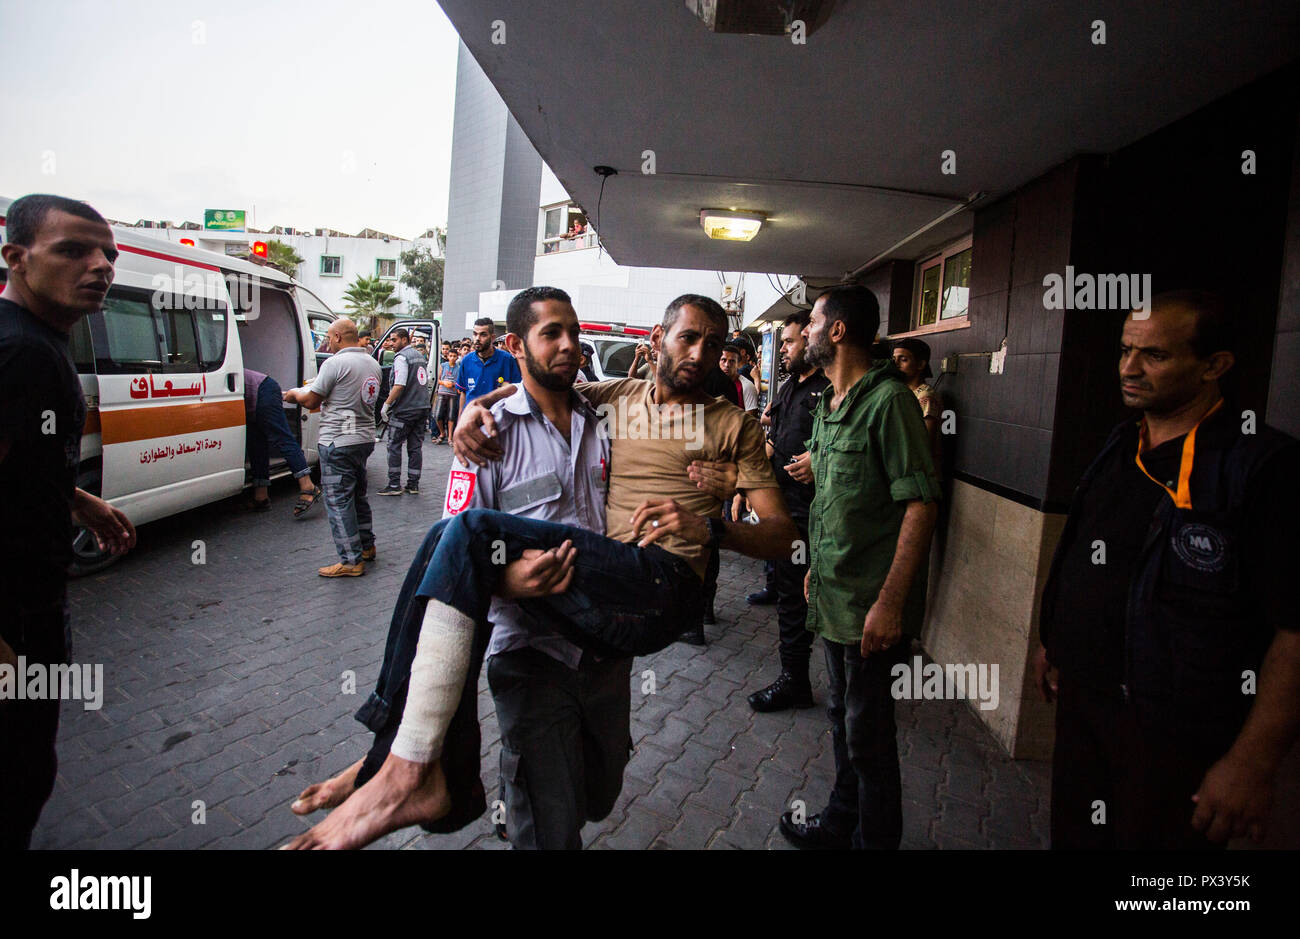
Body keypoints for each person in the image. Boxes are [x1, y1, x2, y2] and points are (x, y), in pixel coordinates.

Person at [284, 293, 798, 850]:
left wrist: (713, 530)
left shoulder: (717, 424)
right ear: (657, 339)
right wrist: (479, 409)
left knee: (596, 793)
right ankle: (406, 762)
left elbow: (784, 537)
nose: (701, 353)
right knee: (455, 538)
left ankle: (398, 756)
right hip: (544, 637)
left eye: (715, 344)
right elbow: (537, 385)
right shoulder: (610, 400)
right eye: (688, 337)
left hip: (648, 598)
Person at [1034, 291, 1300, 849]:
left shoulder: (1261, 466)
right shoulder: (1121, 442)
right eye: (1125, 350)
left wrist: (1253, 761)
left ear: (1214, 365)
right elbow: (1088, 554)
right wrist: (1056, 640)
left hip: (1173, 733)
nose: (1129, 368)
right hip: (1086, 705)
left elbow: (1295, 629)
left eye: (1153, 356)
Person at [777, 284, 940, 851]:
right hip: (834, 598)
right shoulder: (829, 403)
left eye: (814, 322)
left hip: (872, 609)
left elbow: (919, 504)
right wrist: (812, 569)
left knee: (869, 739)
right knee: (844, 722)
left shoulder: (889, 401)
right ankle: (838, 825)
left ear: (838, 330)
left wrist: (890, 603)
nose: (805, 333)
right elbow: (837, 500)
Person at [0, 194, 137, 849]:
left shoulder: (38, 341)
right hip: (15, 618)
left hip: (34, 604)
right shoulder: (20, 353)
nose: (101, 265)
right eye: (74, 250)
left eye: (108, 253)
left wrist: (77, 499)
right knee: (18, 774)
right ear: (16, 258)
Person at [746, 310, 830, 712]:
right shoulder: (789, 388)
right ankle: (794, 676)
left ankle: (796, 682)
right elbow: (773, 442)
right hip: (779, 506)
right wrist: (747, 484)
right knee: (787, 596)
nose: (784, 348)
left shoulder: (831, 387)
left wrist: (818, 458)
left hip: (812, 513)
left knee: (801, 600)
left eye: (791, 341)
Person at [283, 317, 382, 577]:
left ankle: (351, 561)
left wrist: (293, 394)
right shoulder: (372, 363)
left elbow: (311, 399)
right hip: (363, 439)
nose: (327, 341)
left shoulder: (334, 363)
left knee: (338, 501)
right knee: (358, 495)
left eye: (328, 337)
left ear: (338, 337)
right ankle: (366, 547)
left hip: (337, 441)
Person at [244, 368, 321, 516]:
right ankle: (261, 496)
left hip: (263, 389)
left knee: (282, 438)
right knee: (256, 443)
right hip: (256, 393)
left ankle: (308, 486)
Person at [377, 328, 432, 497]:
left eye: (394, 340)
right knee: (415, 447)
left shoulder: (401, 357)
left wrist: (386, 405)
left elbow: (399, 384)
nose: (391, 344)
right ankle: (413, 484)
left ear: (404, 340)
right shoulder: (419, 356)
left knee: (394, 444)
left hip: (405, 409)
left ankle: (394, 484)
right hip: (422, 408)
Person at [892, 337, 943, 470]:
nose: (896, 364)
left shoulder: (925, 396)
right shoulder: (902, 392)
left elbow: (924, 441)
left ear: (920, 364)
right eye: (894, 359)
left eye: (903, 359)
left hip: (921, 474)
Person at [457, 316, 521, 411]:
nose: (477, 338)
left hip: (498, 418)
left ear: (492, 337)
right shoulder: (466, 360)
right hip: (472, 419)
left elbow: (518, 391)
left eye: (483, 335)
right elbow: (463, 393)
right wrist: (460, 420)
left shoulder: (507, 360)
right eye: (475, 334)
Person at [720, 341, 759, 416]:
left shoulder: (747, 386)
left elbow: (750, 421)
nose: (727, 365)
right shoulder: (709, 384)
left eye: (732, 361)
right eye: (723, 360)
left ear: (738, 364)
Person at [432, 347, 460, 443]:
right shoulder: (443, 365)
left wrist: (452, 384)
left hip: (452, 393)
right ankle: (442, 432)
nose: (452, 358)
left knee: (451, 416)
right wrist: (444, 383)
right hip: (442, 392)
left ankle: (450, 437)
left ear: (457, 357)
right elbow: (437, 379)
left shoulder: (459, 368)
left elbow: (459, 383)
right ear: (447, 356)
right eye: (450, 356)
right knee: (438, 415)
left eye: (454, 356)